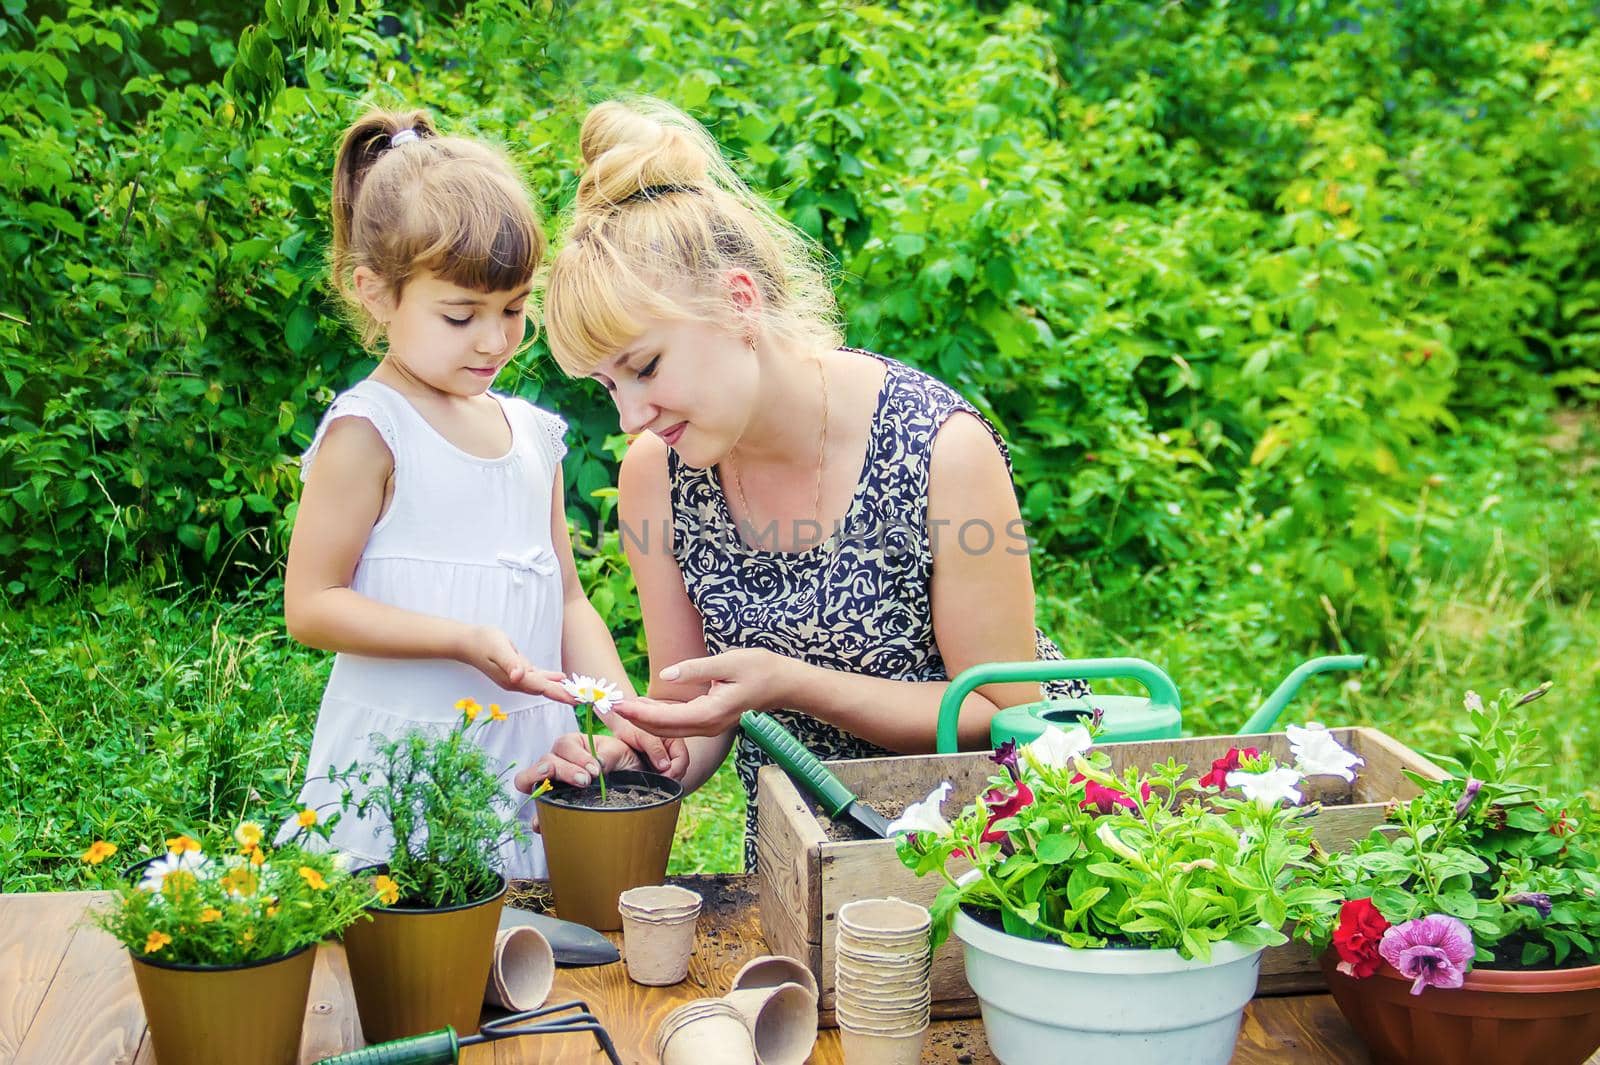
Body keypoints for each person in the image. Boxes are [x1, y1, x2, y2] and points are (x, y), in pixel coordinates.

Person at [517, 98, 1084, 869]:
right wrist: (633, 756)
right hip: (801, 853)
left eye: (645, 367)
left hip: (991, 847)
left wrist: (788, 682)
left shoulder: (940, 448)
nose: (630, 417)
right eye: (607, 387)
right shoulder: (658, 473)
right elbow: (694, 715)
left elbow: (998, 710)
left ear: (739, 302)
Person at [282, 107, 683, 878]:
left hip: (523, 753)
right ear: (375, 292)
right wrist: (462, 638)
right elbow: (313, 603)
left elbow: (567, 599)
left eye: (513, 309)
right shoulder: (372, 430)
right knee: (405, 953)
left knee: (527, 946)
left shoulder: (533, 437)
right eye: (461, 315)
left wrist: (618, 708)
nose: (495, 340)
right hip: (404, 758)